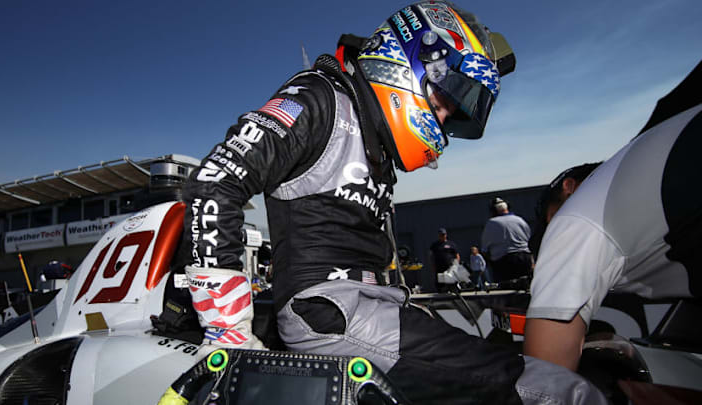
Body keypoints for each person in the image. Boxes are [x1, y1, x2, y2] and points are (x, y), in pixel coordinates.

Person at [181, 2, 604, 403]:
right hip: (332, 312)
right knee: (563, 392)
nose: (441, 119)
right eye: (441, 102)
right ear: (412, 61)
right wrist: (228, 336)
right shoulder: (322, 96)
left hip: (374, 308)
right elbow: (217, 178)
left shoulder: (373, 140)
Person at [524, 60, 702, 372]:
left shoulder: (574, 218)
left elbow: (547, 382)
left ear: (570, 188)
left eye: (549, 224)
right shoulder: (644, 173)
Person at [480, 197, 534, 283]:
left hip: (504, 261)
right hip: (525, 258)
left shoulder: (492, 223)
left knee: (506, 288)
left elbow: (485, 248)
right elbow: (530, 240)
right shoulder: (520, 220)